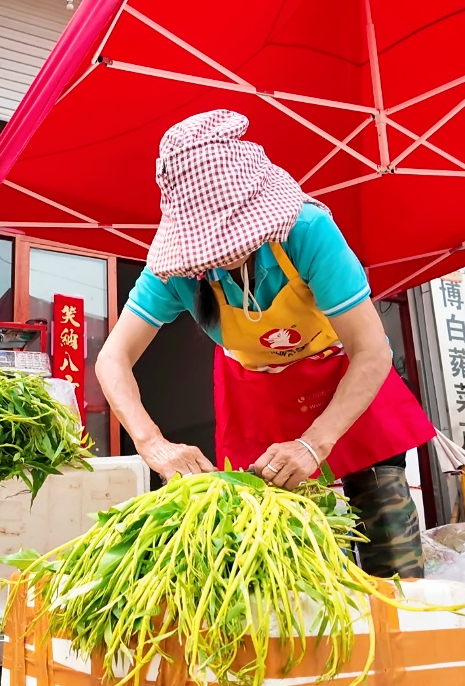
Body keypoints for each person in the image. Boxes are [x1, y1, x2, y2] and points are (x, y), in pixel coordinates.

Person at [96, 110, 436, 579]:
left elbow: (371, 350)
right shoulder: (175, 267)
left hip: (346, 378)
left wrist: (314, 443)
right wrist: (152, 444)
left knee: (391, 543)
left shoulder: (307, 231)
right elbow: (113, 358)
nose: (223, 253)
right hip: (261, 396)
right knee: (292, 560)